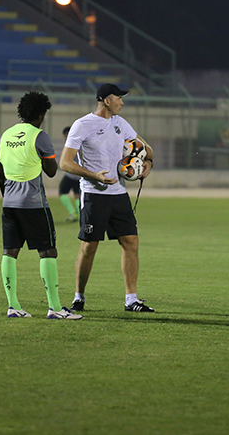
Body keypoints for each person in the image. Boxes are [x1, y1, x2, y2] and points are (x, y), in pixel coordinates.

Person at [59, 83, 155, 312]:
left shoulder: (120, 123)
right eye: (119, 98)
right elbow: (65, 162)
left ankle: (131, 299)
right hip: (93, 195)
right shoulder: (82, 125)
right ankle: (79, 296)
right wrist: (94, 176)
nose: (122, 101)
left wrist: (147, 164)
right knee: (89, 246)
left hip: (119, 194)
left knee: (131, 242)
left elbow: (146, 149)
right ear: (106, 100)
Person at [0, 92, 82, 320]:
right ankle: (54, 308)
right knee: (47, 251)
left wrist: (8, 196)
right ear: (42, 113)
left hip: (9, 204)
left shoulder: (5, 136)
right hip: (33, 203)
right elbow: (52, 171)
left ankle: (13, 306)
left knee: (10, 251)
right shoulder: (40, 136)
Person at [58, 126, 81, 222]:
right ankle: (79, 215)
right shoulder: (80, 142)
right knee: (77, 195)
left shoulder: (71, 143)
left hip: (71, 174)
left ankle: (73, 213)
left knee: (62, 192)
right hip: (80, 174)